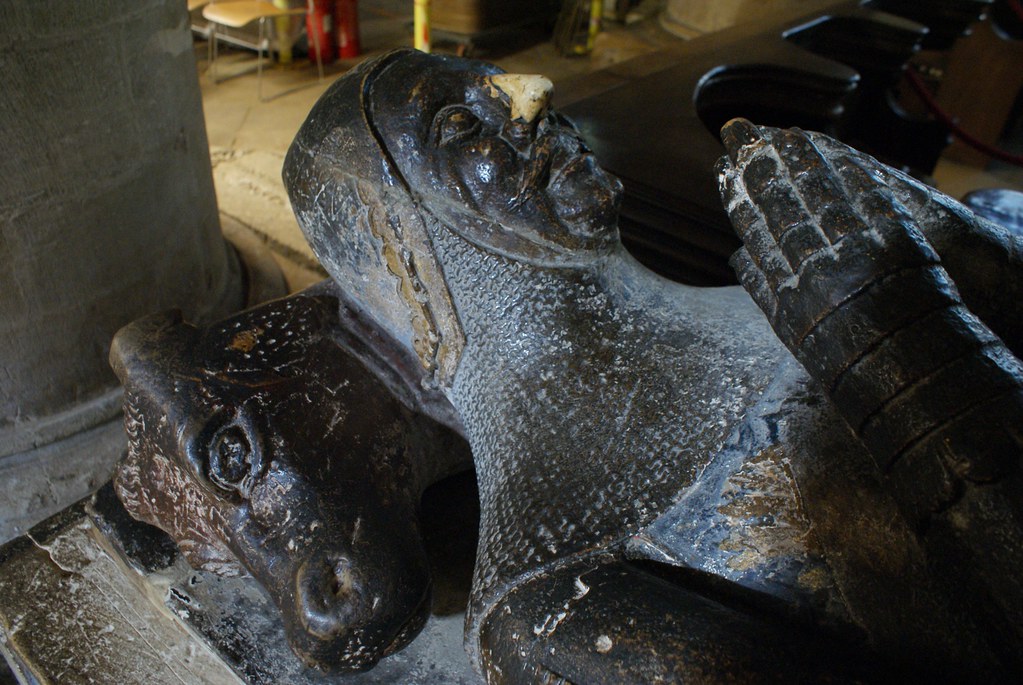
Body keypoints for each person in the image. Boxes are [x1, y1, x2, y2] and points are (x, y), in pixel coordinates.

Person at [284, 48, 1023, 682]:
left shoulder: (801, 279)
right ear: (402, 255)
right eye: (457, 125)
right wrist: (910, 355)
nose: (533, 92)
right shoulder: (559, 607)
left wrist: (953, 251)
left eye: (493, 83)